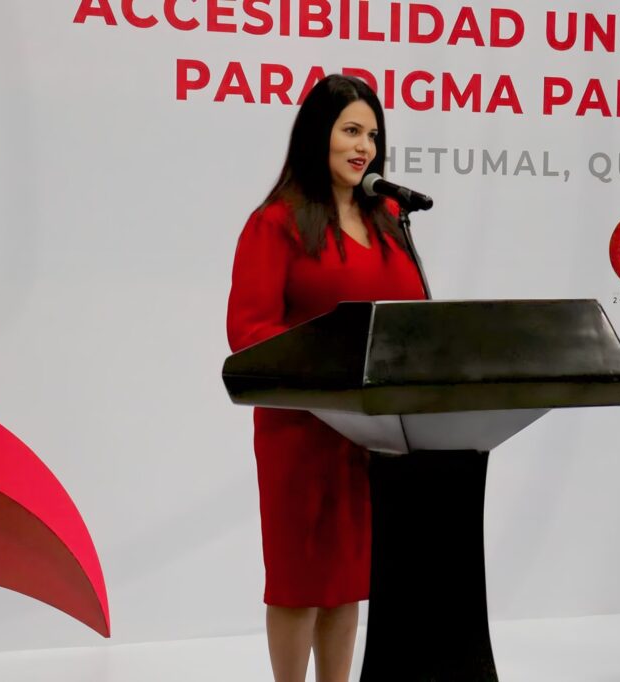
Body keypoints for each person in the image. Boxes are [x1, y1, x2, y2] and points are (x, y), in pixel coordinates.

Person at [226, 75, 426, 682]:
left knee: (345, 581)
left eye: (373, 135)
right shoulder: (276, 222)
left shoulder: (389, 218)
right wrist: (327, 367)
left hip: (371, 432)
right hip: (302, 429)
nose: (364, 146)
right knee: (300, 581)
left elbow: (412, 314)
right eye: (351, 131)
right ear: (319, 135)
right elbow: (249, 331)